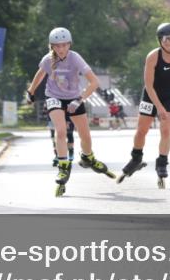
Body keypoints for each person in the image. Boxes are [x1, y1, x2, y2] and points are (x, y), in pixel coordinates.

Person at [26, 27, 112, 196]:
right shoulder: (47, 59)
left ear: (69, 44)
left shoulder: (75, 58)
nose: (61, 49)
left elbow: (94, 82)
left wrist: (79, 99)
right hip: (54, 97)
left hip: (75, 97)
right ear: (52, 47)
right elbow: (40, 74)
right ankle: (63, 166)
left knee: (85, 135)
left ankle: (87, 157)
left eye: (64, 45)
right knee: (61, 131)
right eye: (57, 46)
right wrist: (31, 91)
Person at [119, 22, 170, 188]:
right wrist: (159, 108)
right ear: (159, 41)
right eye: (164, 39)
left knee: (166, 129)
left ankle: (162, 162)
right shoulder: (153, 56)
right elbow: (148, 84)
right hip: (151, 95)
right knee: (142, 130)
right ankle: (136, 158)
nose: (167, 41)